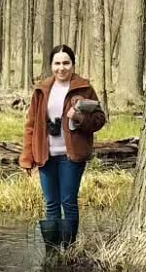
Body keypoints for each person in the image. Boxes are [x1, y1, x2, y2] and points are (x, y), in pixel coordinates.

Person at [18, 44, 107, 249]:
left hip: (71, 156)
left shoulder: (84, 88)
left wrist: (79, 118)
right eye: (57, 63)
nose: (61, 68)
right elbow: (31, 124)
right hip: (45, 154)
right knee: (51, 204)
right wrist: (27, 157)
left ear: (73, 64)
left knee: (68, 202)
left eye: (66, 63)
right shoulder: (42, 90)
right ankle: (52, 252)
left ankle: (68, 250)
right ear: (51, 65)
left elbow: (99, 120)